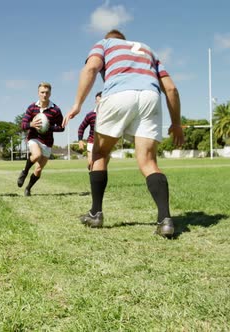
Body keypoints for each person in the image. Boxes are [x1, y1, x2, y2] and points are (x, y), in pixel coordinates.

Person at [62, 29, 184, 237]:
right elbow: (171, 89)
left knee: (100, 153)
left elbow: (91, 68)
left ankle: (95, 213)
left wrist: (77, 104)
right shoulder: (147, 49)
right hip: (150, 96)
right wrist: (176, 123)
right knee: (148, 162)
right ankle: (165, 220)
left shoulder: (105, 44)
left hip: (119, 94)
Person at [17, 82, 64, 196]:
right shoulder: (32, 107)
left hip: (47, 142)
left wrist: (50, 127)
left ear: (50, 93)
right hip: (34, 138)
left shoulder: (55, 110)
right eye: (42, 92)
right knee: (36, 155)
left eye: (47, 92)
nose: (44, 95)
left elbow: (62, 127)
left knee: (38, 170)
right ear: (38, 93)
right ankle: (24, 171)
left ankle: (28, 188)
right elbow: (23, 125)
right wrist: (31, 124)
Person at [77, 91, 102, 169]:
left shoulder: (110, 114)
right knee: (91, 163)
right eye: (98, 101)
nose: (100, 103)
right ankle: (91, 167)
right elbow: (81, 127)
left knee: (100, 164)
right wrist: (80, 140)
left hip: (103, 142)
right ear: (96, 102)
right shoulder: (90, 115)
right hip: (91, 141)